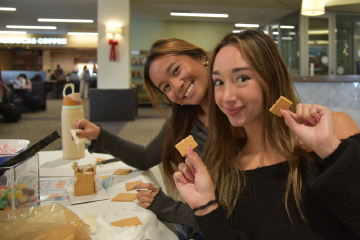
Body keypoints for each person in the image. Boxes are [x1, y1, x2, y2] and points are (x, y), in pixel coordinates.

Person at [173, 29, 360, 240]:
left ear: (270, 79)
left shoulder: (337, 128)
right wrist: (205, 207)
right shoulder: (228, 174)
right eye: (219, 82)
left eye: (242, 78)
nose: (227, 97)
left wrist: (329, 149)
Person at [72, 38, 210, 239]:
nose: (177, 86)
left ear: (201, 58)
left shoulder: (239, 118)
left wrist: (169, 208)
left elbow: (237, 213)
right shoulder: (182, 122)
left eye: (176, 70)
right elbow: (145, 158)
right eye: (166, 88)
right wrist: (99, 135)